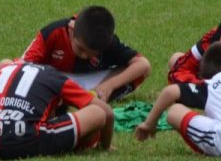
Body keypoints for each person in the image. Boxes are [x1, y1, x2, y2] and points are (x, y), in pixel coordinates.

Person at [0, 60, 114, 160]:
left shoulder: (2, 69)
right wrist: (104, 147)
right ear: (58, 104)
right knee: (96, 113)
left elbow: (3, 63)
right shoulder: (55, 77)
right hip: (25, 140)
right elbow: (106, 112)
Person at [12, 6, 151, 102]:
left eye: (91, 54)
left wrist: (109, 86)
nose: (84, 56)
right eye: (80, 49)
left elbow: (143, 65)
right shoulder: (53, 32)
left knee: (139, 73)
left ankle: (93, 96)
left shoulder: (107, 41)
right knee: (8, 66)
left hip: (91, 84)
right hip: (53, 81)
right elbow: (21, 67)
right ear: (72, 29)